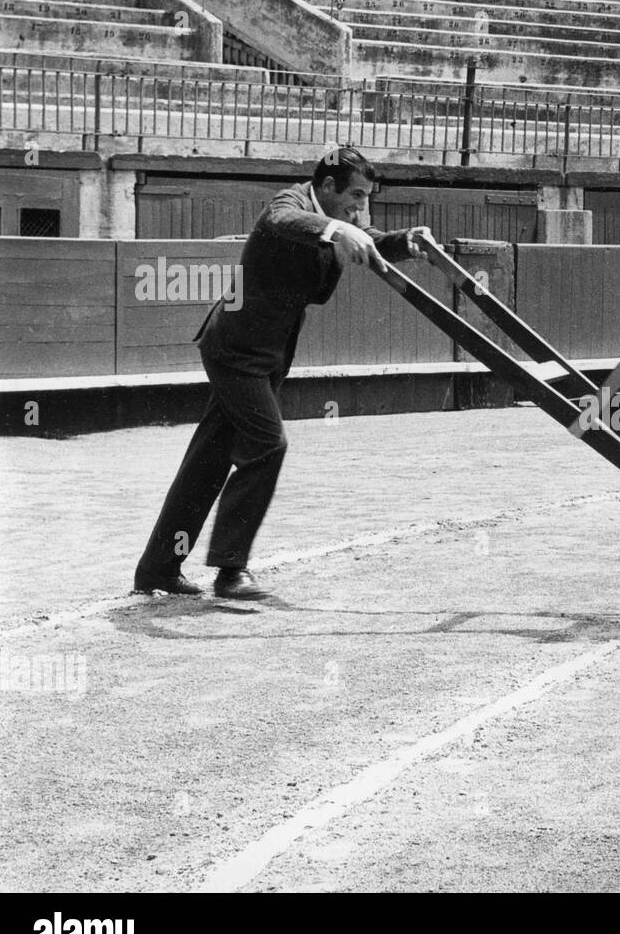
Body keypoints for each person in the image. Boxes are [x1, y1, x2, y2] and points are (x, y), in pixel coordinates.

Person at [133, 146, 428, 600]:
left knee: (207, 463)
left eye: (366, 197)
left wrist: (407, 241)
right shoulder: (290, 203)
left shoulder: (339, 217)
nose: (360, 206)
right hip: (236, 352)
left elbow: (366, 237)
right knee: (268, 444)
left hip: (267, 356)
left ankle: (157, 570)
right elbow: (280, 222)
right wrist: (334, 228)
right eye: (355, 195)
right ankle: (231, 570)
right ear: (326, 187)